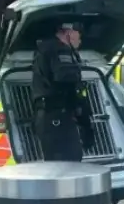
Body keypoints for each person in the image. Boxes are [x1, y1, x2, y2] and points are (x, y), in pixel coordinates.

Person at [32, 22, 94, 162]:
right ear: (68, 33)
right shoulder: (59, 50)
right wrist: (85, 123)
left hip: (52, 117)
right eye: (79, 34)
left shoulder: (46, 49)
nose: (81, 39)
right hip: (57, 118)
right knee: (68, 163)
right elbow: (70, 85)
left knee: (61, 164)